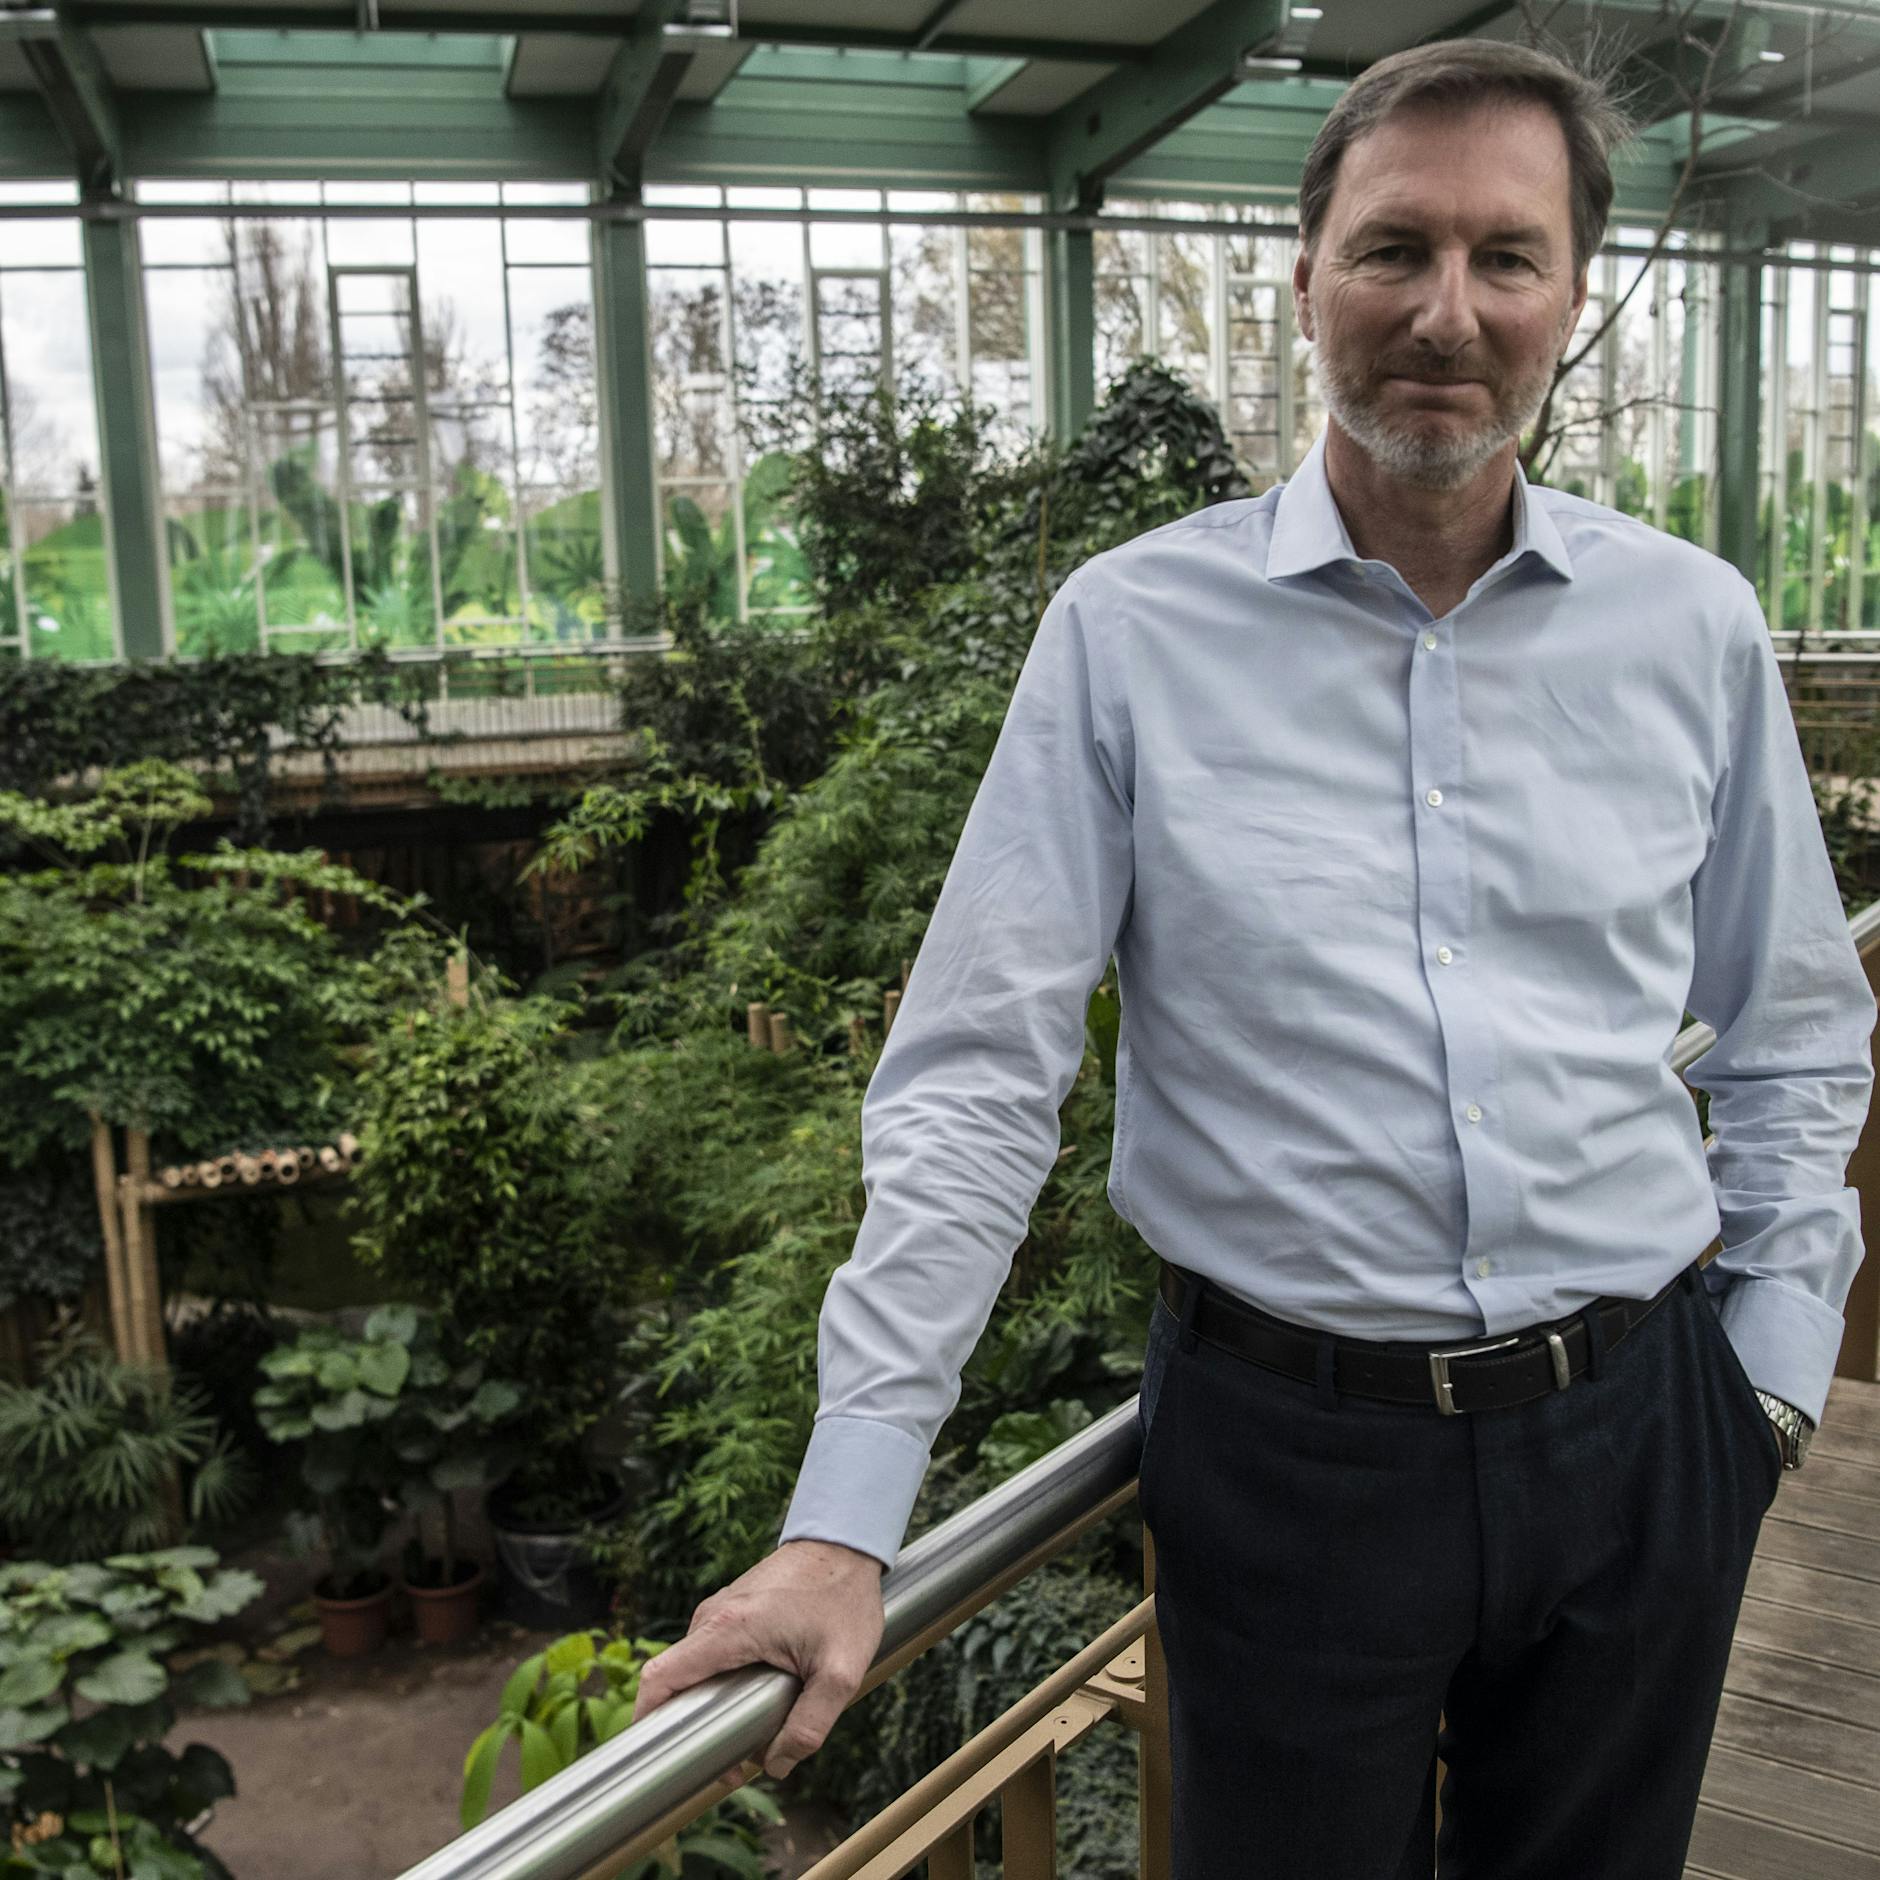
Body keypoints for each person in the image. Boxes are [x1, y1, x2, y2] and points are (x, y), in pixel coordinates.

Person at [630, 39, 1876, 1877]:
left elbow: (1791, 1037)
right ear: (1303, 279)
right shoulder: (1131, 635)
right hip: (1291, 1469)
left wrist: (1761, 1389)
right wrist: (847, 1517)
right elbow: (980, 1076)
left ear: (1570, 301)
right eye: (1395, 250)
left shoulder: (1689, 627)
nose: (1447, 312)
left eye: (1505, 258)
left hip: (1639, 1435)